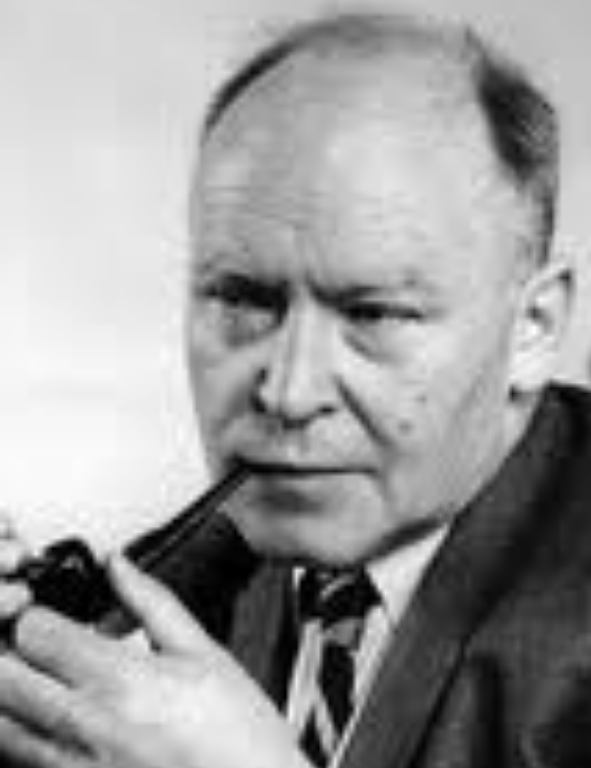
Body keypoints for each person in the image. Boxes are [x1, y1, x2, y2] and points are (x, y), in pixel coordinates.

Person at [0, 6, 588, 767]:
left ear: (533, 327)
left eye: (372, 312)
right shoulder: (224, 551)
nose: (286, 390)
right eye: (242, 299)